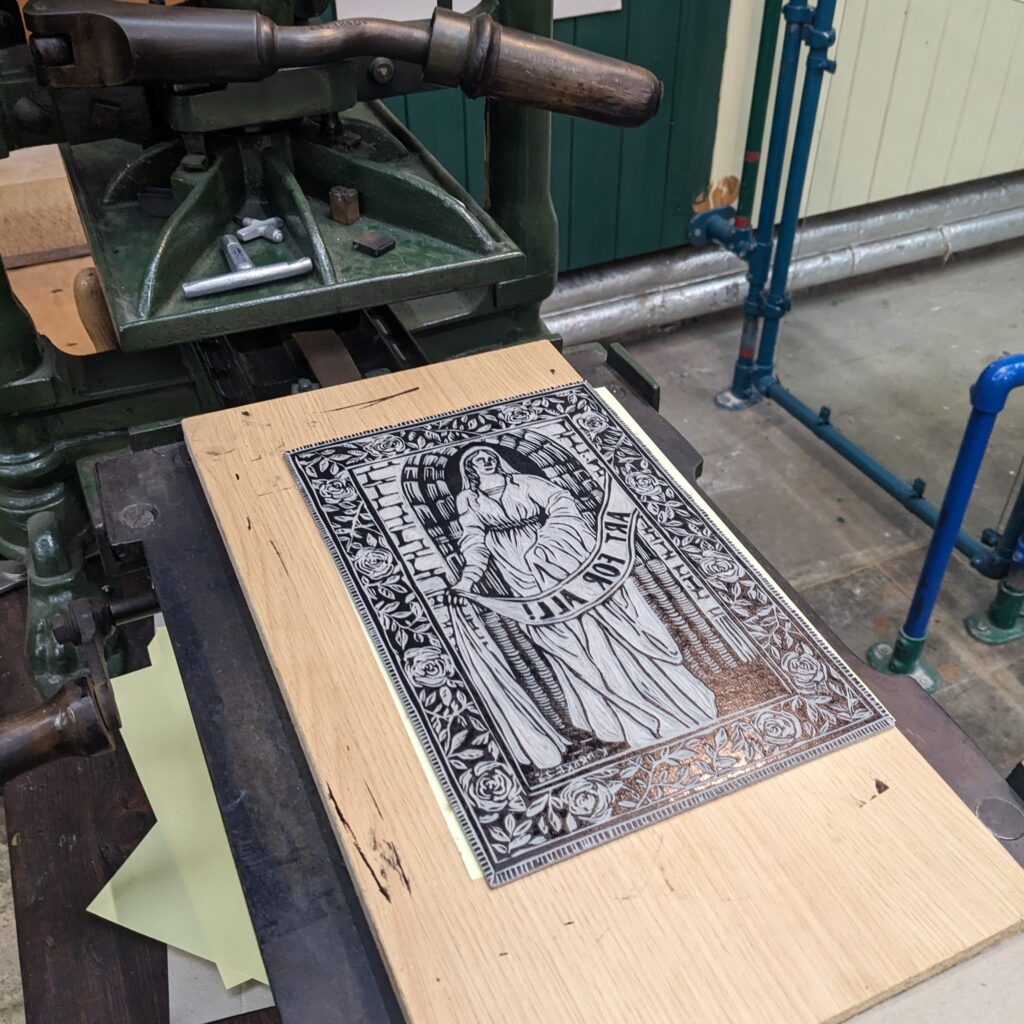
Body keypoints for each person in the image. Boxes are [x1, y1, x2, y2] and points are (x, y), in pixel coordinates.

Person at [443, 444, 718, 770]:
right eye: (476, 460)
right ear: (470, 469)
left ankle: (660, 698)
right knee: (566, 644)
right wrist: (467, 580)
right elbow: (473, 541)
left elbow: (562, 503)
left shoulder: (525, 483)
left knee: (600, 629)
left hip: (558, 558)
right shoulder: (469, 500)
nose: (485, 461)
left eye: (489, 456)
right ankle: (615, 715)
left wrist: (548, 540)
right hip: (519, 573)